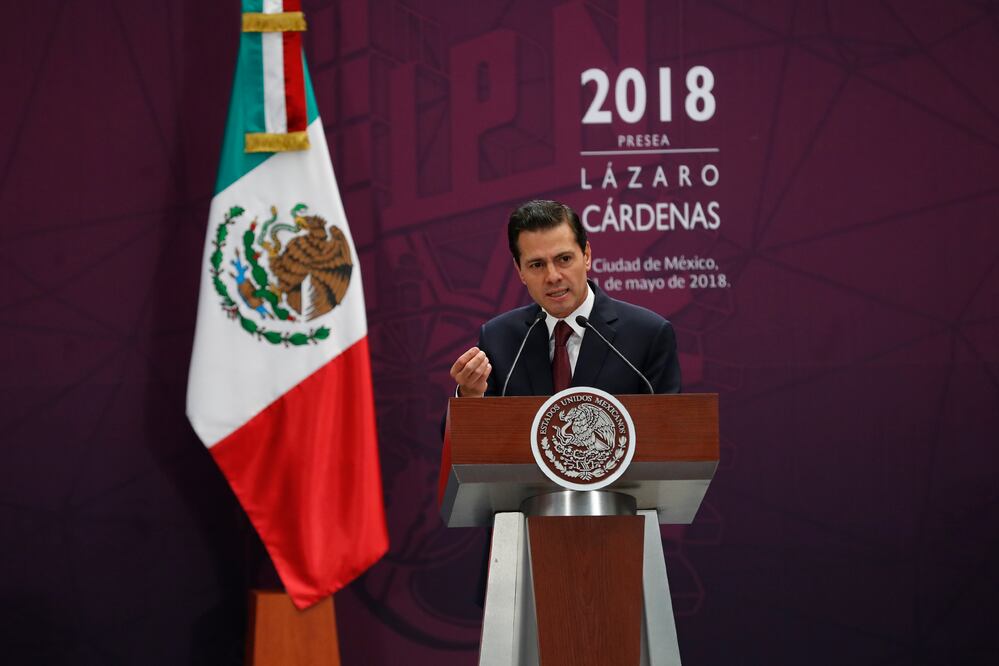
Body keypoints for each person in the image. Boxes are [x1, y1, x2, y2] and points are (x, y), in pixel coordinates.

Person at [450, 199, 681, 398]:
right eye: (537, 265)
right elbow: (459, 435)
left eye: (564, 259)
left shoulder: (648, 335)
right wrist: (470, 395)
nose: (553, 276)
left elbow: (671, 427)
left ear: (586, 255)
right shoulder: (498, 338)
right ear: (520, 270)